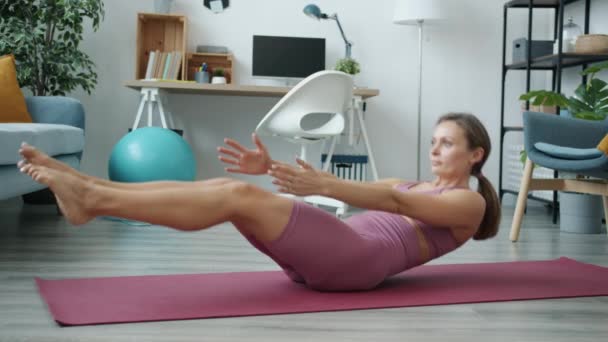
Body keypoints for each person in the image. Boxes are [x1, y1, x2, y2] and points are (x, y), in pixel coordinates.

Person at [17, 112, 500, 292]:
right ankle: (89, 189)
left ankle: (93, 199)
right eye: (434, 141)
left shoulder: (470, 205)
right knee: (225, 191)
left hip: (356, 261)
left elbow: (394, 202)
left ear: (475, 154)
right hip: (337, 250)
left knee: (236, 197)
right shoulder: (416, 182)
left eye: (447, 143)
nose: (434, 150)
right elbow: (387, 191)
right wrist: (269, 169)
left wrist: (325, 185)